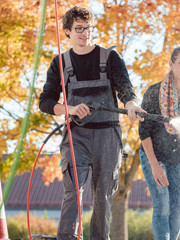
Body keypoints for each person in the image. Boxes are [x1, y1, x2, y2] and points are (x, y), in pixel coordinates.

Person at [39, 6, 145, 240]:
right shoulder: (60, 63)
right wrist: (70, 109)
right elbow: (45, 102)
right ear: (67, 31)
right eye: (79, 29)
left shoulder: (110, 58)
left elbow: (126, 88)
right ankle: (67, 237)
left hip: (108, 137)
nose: (85, 33)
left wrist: (131, 105)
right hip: (76, 135)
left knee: (103, 196)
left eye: (88, 28)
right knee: (73, 192)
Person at [138, 46, 180, 240]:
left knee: (179, 208)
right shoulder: (154, 91)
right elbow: (144, 132)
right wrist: (155, 166)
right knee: (163, 206)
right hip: (154, 156)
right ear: (171, 64)